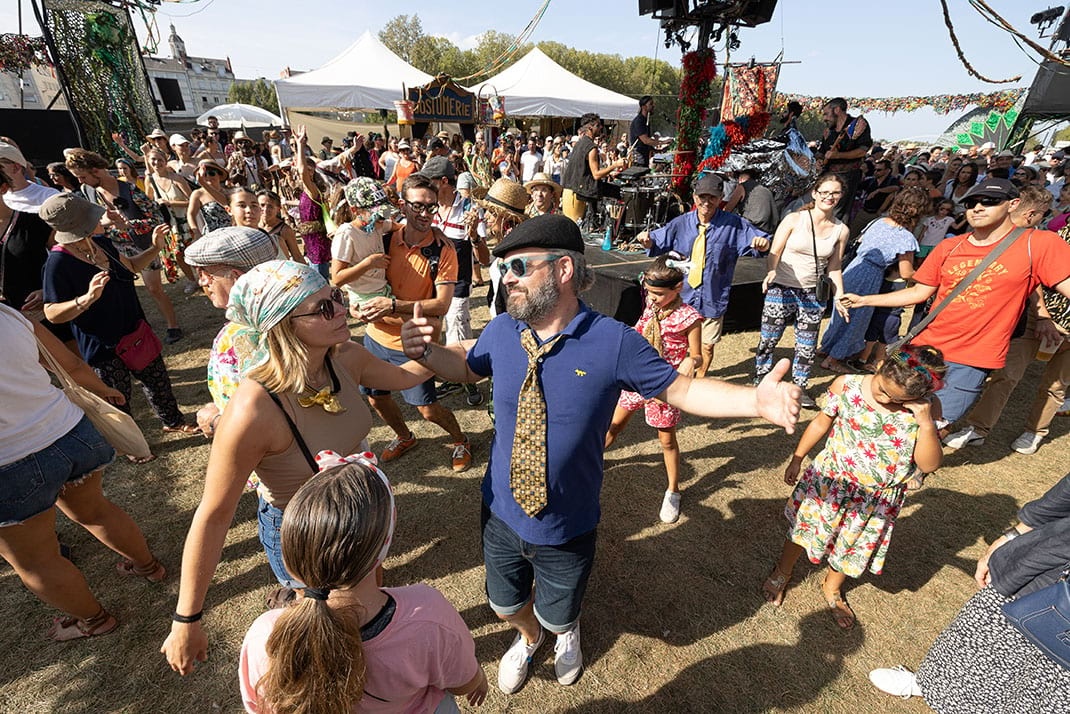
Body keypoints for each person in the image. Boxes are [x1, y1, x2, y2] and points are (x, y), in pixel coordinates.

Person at [399, 213, 802, 694]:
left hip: (568, 521)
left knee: (560, 610)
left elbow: (682, 391)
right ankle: (528, 640)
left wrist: (754, 401)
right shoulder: (504, 328)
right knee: (505, 604)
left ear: (563, 270)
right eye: (504, 268)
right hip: (500, 510)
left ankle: (564, 633)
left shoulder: (614, 342)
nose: (507, 279)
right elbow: (468, 367)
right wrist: (428, 355)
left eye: (519, 267)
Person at [161, 261, 436, 675]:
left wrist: (429, 346)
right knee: (331, 626)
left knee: (367, 599)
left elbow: (405, 374)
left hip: (361, 509)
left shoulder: (344, 357)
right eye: (324, 307)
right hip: (302, 531)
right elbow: (214, 515)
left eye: (336, 299)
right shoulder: (252, 409)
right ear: (283, 324)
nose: (342, 310)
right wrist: (187, 619)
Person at [238, 455, 488, 713]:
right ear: (382, 548)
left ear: (290, 553)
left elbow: (259, 706)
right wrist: (478, 680)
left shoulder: (264, 635)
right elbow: (462, 680)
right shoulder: (426, 614)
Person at [842, 178, 1070, 430]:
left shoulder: (1038, 244)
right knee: (889, 415)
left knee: (933, 425)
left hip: (973, 357)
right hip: (925, 348)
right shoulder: (950, 246)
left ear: (1013, 204)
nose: (978, 207)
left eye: (989, 201)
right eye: (971, 203)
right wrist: (865, 300)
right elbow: (919, 292)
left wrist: (1045, 317)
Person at [0, 303, 167, 640]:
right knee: (96, 510)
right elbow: (72, 365)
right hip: (69, 432)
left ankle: (93, 620)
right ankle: (149, 567)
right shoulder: (8, 314)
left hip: (9, 464)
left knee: (37, 560)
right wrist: (102, 390)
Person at [762, 345, 946, 629]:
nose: (885, 399)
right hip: (830, 483)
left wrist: (926, 425)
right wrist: (797, 458)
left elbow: (929, 464)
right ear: (880, 366)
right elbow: (821, 423)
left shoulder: (927, 409)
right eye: (883, 390)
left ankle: (833, 586)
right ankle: (783, 571)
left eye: (898, 400)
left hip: (875, 500)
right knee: (805, 529)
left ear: (919, 397)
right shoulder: (846, 385)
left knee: (852, 544)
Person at [869, 471, 1070, 710]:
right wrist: (1016, 532)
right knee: (985, 632)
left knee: (1053, 682)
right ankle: (934, 684)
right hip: (1049, 567)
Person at [39, 193, 198, 452]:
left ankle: (173, 421)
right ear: (80, 226)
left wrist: (156, 248)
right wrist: (86, 299)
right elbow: (52, 312)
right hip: (102, 345)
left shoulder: (101, 243)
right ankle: (130, 446)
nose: (101, 219)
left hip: (133, 329)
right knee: (117, 398)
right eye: (93, 217)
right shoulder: (57, 263)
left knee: (157, 381)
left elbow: (132, 266)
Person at [354, 174, 473, 472]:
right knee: (376, 400)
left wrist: (393, 305)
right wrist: (356, 305)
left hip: (414, 344)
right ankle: (404, 436)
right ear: (402, 205)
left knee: (427, 408)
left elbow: (442, 305)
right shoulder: (381, 237)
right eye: (417, 206)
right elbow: (357, 277)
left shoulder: (443, 250)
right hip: (375, 338)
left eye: (431, 208)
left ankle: (461, 440)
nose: (424, 214)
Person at [640, 173, 771, 376]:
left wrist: (762, 243)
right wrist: (647, 241)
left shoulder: (734, 224)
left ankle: (698, 381)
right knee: (677, 343)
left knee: (706, 346)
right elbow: (657, 241)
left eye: (712, 197)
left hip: (712, 295)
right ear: (694, 198)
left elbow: (760, 241)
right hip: (682, 296)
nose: (707, 202)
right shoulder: (680, 223)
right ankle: (673, 378)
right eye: (702, 197)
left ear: (720, 199)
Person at [604, 257, 702, 523]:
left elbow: (698, 354)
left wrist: (690, 362)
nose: (652, 298)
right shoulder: (650, 304)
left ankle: (673, 490)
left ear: (679, 287)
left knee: (667, 440)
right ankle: (591, 461)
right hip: (638, 376)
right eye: (649, 292)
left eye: (658, 293)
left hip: (665, 384)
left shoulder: (689, 318)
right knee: (613, 425)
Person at [65, 148, 183, 344]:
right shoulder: (89, 191)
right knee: (124, 290)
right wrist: (106, 223)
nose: (80, 181)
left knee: (153, 288)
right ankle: (138, 328)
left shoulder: (129, 189)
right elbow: (95, 224)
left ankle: (173, 326)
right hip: (114, 249)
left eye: (82, 176)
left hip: (144, 246)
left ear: (96, 170)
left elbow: (156, 219)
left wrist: (129, 224)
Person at [756, 174, 849, 404]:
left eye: (835, 193)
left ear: (840, 196)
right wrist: (771, 271)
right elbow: (774, 252)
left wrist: (840, 296)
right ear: (815, 194)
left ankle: (800, 387)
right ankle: (762, 380)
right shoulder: (794, 219)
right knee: (769, 338)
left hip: (812, 294)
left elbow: (834, 267)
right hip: (782, 288)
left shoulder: (841, 230)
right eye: (825, 192)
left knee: (807, 345)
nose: (829, 197)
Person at [818, 187, 927, 373]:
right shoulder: (905, 237)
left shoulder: (878, 222)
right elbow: (906, 272)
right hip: (871, 276)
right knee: (856, 319)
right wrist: (925, 277)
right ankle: (833, 359)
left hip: (853, 268)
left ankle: (826, 348)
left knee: (841, 313)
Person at [421, 157, 489, 407]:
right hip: (432, 283)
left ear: (445, 182)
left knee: (459, 329)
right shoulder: (428, 209)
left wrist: (473, 237)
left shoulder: (470, 208)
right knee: (442, 331)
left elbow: (484, 257)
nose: (427, 188)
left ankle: (468, 380)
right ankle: (453, 376)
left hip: (458, 283)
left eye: (431, 183)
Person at [329, 176, 394, 306]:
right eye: (377, 213)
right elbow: (337, 279)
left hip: (382, 291)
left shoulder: (377, 225)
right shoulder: (347, 234)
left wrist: (434, 231)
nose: (383, 217)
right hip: (365, 298)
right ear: (355, 210)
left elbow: (401, 227)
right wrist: (369, 263)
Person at [144, 147, 197, 291]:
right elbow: (148, 203)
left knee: (192, 251)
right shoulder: (150, 181)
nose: (157, 163)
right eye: (153, 160)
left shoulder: (177, 178)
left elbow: (192, 200)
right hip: (167, 223)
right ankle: (192, 280)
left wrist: (171, 203)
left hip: (184, 221)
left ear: (165, 161)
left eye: (160, 160)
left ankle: (203, 275)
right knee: (177, 253)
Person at [561, 113, 625, 224]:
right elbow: (596, 174)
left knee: (615, 191)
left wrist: (609, 173)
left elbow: (586, 171)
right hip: (580, 193)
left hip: (572, 190)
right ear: (590, 127)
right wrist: (615, 165)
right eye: (598, 125)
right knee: (621, 193)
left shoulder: (580, 144)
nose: (601, 127)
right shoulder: (591, 148)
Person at [816, 98, 873, 219]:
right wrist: (818, 161)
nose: (824, 118)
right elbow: (821, 151)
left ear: (837, 110)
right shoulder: (829, 131)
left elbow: (862, 151)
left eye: (826, 114)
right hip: (827, 175)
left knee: (837, 213)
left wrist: (838, 155)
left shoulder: (858, 125)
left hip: (848, 177)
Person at [186, 158, 232, 243]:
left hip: (231, 233)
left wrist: (203, 183)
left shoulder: (228, 191)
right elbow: (191, 214)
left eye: (211, 173)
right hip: (212, 236)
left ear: (219, 175)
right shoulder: (198, 194)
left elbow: (226, 204)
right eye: (205, 174)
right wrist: (196, 231)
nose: (208, 177)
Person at [723, 167, 779, 234]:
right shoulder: (766, 189)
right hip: (769, 228)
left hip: (752, 227)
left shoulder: (742, 186)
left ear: (741, 178)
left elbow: (728, 209)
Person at [256, 190, 303, 262]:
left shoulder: (285, 231)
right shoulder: (252, 226)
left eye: (270, 206)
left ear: (278, 209)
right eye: (262, 205)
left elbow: (297, 256)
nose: (265, 210)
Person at [629, 96, 670, 168]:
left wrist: (657, 151)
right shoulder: (639, 121)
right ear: (644, 107)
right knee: (639, 177)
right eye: (651, 104)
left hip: (643, 158)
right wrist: (664, 142)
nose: (653, 106)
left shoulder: (645, 121)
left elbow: (644, 143)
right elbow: (645, 140)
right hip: (638, 159)